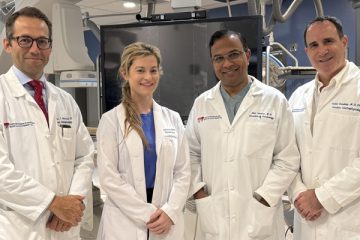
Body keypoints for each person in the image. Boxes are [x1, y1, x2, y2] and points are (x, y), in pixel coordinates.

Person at [185, 29, 300, 240]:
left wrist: (265, 197)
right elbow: (189, 154)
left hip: (260, 217)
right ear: (212, 63)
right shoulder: (202, 104)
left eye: (233, 54)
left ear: (247, 55)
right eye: (218, 58)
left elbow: (288, 158)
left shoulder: (274, 101)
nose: (227, 63)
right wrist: (199, 192)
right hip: (214, 217)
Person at [0, 7, 94, 240]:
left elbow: (84, 156)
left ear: (50, 47)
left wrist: (71, 204)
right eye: (25, 40)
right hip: (19, 227)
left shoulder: (65, 101)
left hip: (65, 227)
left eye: (42, 41)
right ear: (7, 44)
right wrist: (52, 203)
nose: (35, 49)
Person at [96, 42, 191, 240]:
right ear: (125, 73)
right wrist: (147, 213)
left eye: (153, 70)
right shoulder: (111, 120)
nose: (148, 77)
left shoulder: (172, 119)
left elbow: (183, 172)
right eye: (140, 70)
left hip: (165, 218)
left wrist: (170, 211)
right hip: (125, 220)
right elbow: (109, 177)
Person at [287, 16, 360, 240]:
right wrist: (299, 193)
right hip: (306, 220)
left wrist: (322, 197)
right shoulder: (299, 97)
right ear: (307, 51)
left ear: (344, 42)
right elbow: (286, 153)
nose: (322, 51)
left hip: (349, 219)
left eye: (328, 41)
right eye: (314, 45)